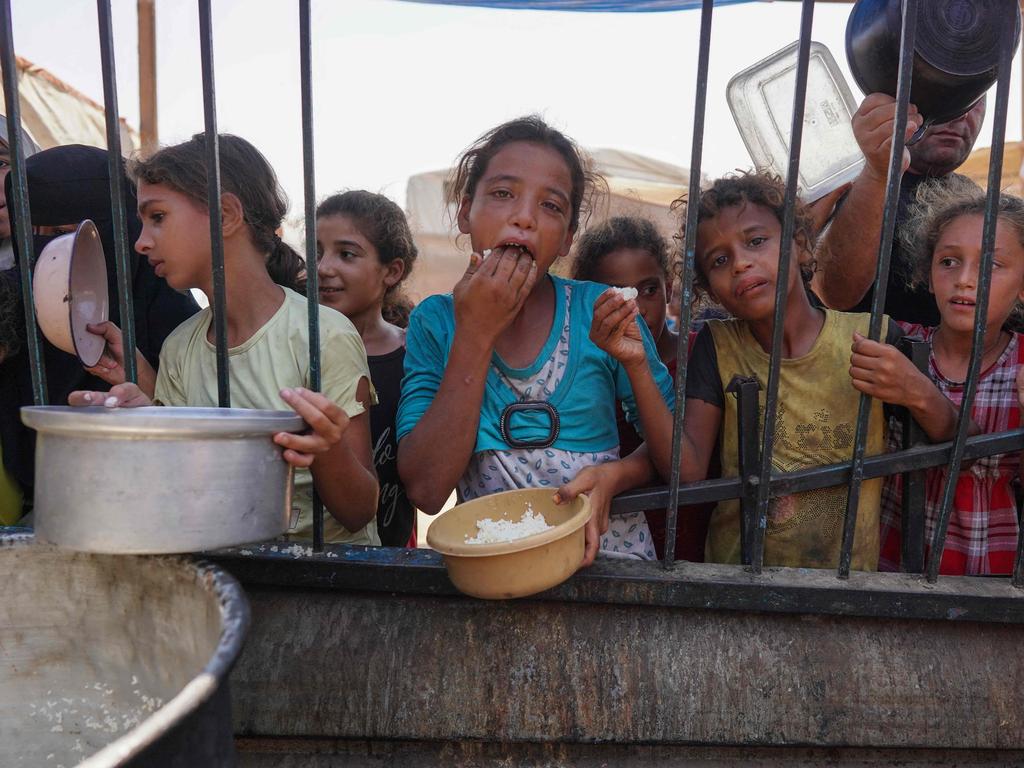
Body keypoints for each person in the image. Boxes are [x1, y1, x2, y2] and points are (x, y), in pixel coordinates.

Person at [561, 172, 965, 570]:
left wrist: (918, 391)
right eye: (719, 260)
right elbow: (688, 471)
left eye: (756, 241)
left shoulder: (870, 337)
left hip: (847, 583)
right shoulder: (716, 349)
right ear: (708, 288)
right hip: (739, 576)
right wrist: (636, 363)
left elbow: (957, 445)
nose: (740, 263)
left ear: (801, 246)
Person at [67, 134, 379, 545]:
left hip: (323, 588)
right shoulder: (180, 347)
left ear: (227, 214)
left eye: (157, 217)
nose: (141, 241)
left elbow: (358, 512)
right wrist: (139, 417)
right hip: (223, 570)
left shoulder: (323, 336)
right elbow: (181, 490)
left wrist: (327, 448)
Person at [396, 116, 675, 566]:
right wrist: (475, 333)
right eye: (503, 194)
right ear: (466, 211)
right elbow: (427, 491)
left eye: (551, 206)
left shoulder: (600, 310)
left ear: (566, 239)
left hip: (610, 566)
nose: (524, 217)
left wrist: (618, 474)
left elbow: (677, 458)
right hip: (499, 574)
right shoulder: (436, 322)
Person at [0, 145, 199, 524]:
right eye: (36, 233)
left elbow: (196, 433)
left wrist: (143, 383)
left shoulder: (182, 323)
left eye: (64, 234)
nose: (51, 252)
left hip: (158, 510)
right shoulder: (14, 297)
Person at [879, 181, 1024, 575]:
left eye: (991, 264)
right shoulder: (898, 346)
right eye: (948, 261)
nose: (964, 279)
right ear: (928, 275)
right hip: (888, 570)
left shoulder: (1021, 366)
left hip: (987, 577)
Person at [570, 215, 713, 561]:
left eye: (649, 290)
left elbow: (687, 461)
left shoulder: (702, 353)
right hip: (620, 545)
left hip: (700, 540)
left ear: (669, 285)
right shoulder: (587, 370)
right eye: (616, 295)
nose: (637, 308)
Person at [814, 94, 986, 326]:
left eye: (975, 99)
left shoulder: (974, 197)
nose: (962, 113)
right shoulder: (838, 186)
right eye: (953, 94)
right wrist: (878, 173)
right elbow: (834, 292)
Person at [315, 190, 418, 547]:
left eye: (346, 254)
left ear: (392, 271)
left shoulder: (415, 356)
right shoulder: (299, 350)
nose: (323, 267)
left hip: (394, 558)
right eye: (316, 252)